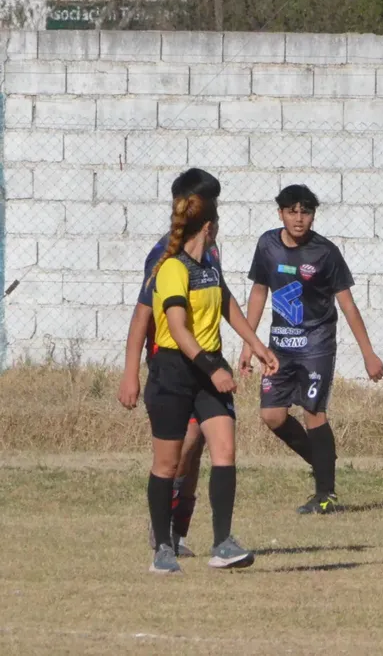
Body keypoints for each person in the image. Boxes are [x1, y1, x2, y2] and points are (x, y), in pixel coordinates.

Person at [145, 192, 278, 573]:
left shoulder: (210, 265)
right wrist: (212, 369)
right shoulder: (172, 268)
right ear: (209, 227)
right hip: (173, 370)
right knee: (167, 464)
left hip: (209, 368)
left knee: (225, 451)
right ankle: (163, 549)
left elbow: (227, 306)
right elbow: (177, 328)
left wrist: (258, 347)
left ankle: (222, 545)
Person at [240, 184, 383, 515]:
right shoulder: (267, 245)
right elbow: (259, 291)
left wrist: (368, 354)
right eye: (292, 211)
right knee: (272, 416)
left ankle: (325, 494)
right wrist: (249, 344)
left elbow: (347, 305)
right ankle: (323, 463)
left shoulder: (325, 253)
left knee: (313, 412)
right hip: (279, 348)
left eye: (305, 212)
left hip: (316, 346)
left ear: (313, 215)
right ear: (280, 213)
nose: (299, 218)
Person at [119, 168, 221, 558]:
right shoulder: (164, 255)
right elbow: (142, 315)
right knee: (184, 447)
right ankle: (162, 529)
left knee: (196, 451)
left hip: (204, 364)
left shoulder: (210, 251)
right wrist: (131, 373)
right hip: (172, 367)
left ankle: (177, 534)